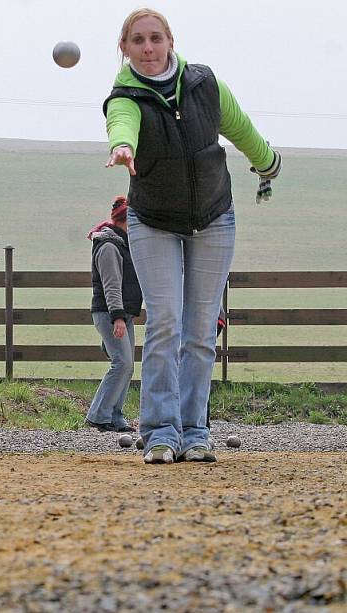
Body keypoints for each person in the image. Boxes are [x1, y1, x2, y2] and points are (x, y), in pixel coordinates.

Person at [104, 9, 281, 464]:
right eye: (138, 40)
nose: (148, 48)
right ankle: (161, 431)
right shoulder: (125, 97)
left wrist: (267, 163)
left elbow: (239, 127)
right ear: (124, 48)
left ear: (170, 41)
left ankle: (195, 431)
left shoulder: (205, 84)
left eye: (155, 38)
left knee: (201, 330)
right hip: (154, 220)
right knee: (165, 323)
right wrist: (121, 147)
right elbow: (121, 126)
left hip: (213, 217)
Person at [85, 196, 142, 433]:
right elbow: (111, 285)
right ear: (126, 220)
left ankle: (115, 416)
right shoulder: (109, 247)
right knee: (122, 363)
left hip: (121, 313)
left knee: (127, 365)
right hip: (111, 313)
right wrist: (117, 316)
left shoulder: (121, 244)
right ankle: (99, 414)